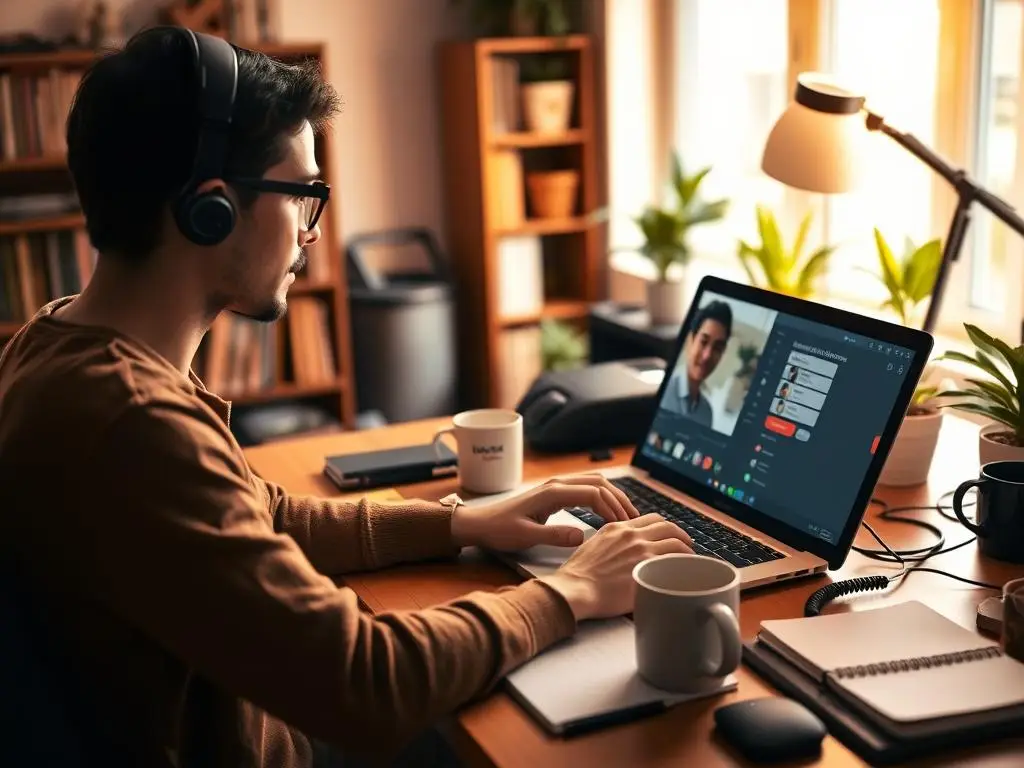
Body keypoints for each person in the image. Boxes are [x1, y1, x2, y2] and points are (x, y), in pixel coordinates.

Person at [0, 28, 694, 768]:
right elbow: (364, 681)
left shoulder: (52, 345)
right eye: (304, 194)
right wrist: (573, 593)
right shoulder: (133, 423)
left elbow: (264, 516)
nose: (310, 231)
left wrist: (463, 522)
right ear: (213, 210)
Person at [661, 300, 733, 429]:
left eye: (717, 348)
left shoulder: (707, 414)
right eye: (703, 342)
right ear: (690, 340)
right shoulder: (663, 390)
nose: (707, 356)